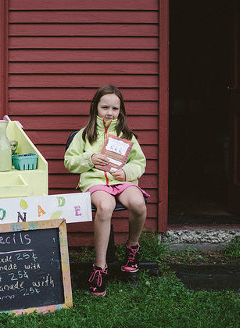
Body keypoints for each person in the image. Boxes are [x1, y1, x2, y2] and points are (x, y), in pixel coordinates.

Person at [64, 84, 148, 297]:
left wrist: (127, 172)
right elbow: (69, 162)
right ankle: (100, 267)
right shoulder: (84, 135)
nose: (110, 113)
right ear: (95, 108)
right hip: (96, 182)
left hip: (121, 181)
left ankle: (132, 247)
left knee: (138, 203)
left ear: (121, 111)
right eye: (105, 107)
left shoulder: (126, 135)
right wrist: (89, 158)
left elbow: (139, 162)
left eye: (115, 109)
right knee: (106, 206)